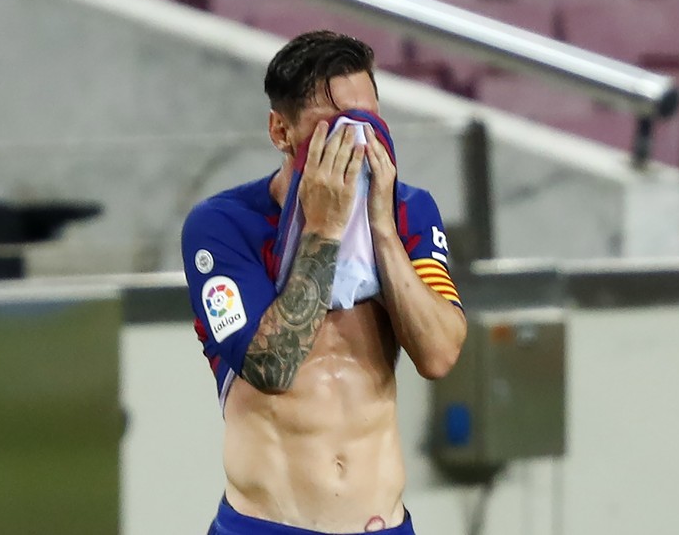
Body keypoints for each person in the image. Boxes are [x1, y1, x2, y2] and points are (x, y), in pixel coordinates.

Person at [181, 30, 467, 534]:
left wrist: (381, 228)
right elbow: (271, 367)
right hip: (269, 524)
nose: (356, 142)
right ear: (280, 131)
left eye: (369, 121)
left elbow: (440, 354)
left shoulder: (408, 211)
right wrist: (324, 229)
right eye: (332, 129)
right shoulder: (223, 226)